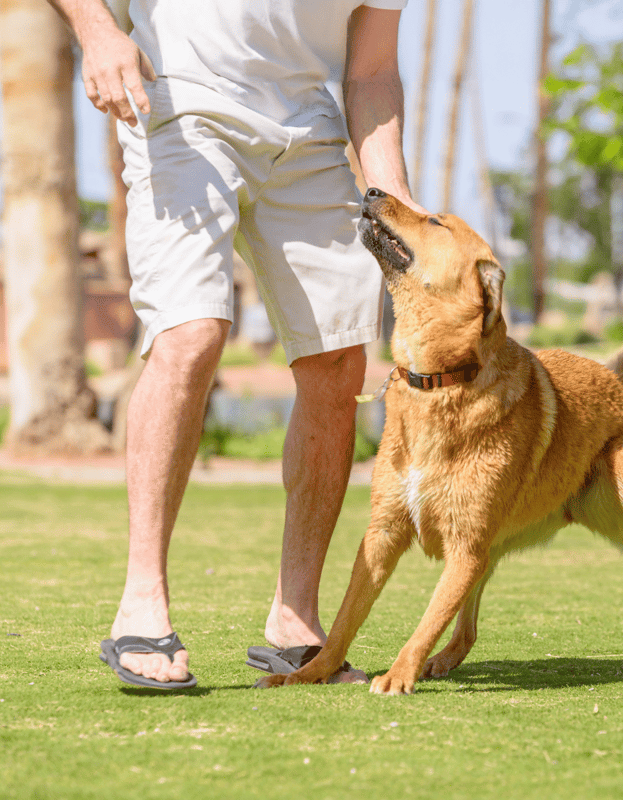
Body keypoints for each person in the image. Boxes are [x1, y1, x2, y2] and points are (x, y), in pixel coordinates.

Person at [48, 0, 425, 688]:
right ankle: (141, 603)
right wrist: (98, 32)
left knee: (338, 362)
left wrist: (393, 195)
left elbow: (371, 71)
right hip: (179, 101)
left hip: (306, 130)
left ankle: (295, 621)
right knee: (191, 333)